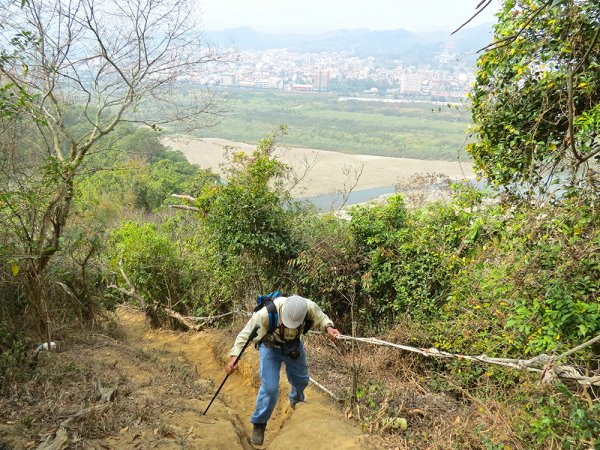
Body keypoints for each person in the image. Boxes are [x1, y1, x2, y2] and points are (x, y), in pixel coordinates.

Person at [226, 294, 340, 446]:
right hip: (270, 348)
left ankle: (296, 402)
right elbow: (245, 335)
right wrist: (234, 358)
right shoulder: (267, 313)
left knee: (301, 380)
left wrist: (329, 327)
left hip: (294, 346)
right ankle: (259, 424)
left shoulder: (308, 307)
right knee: (270, 388)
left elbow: (321, 318)